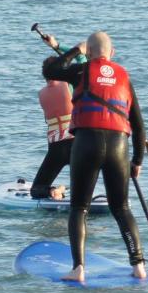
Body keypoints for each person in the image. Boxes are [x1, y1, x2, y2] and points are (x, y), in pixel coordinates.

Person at [42, 30, 147, 282]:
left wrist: (75, 50)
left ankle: (78, 269)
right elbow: (139, 125)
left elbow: (50, 70)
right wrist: (137, 161)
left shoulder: (81, 71)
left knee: (79, 208)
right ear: (112, 53)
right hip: (118, 146)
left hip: (86, 142)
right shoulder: (124, 76)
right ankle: (139, 266)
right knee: (121, 208)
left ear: (89, 52)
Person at [30, 35, 86, 200]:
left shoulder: (41, 94)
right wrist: (58, 46)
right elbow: (81, 59)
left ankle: (52, 191)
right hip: (77, 144)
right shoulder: (69, 84)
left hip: (56, 148)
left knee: (37, 189)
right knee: (82, 183)